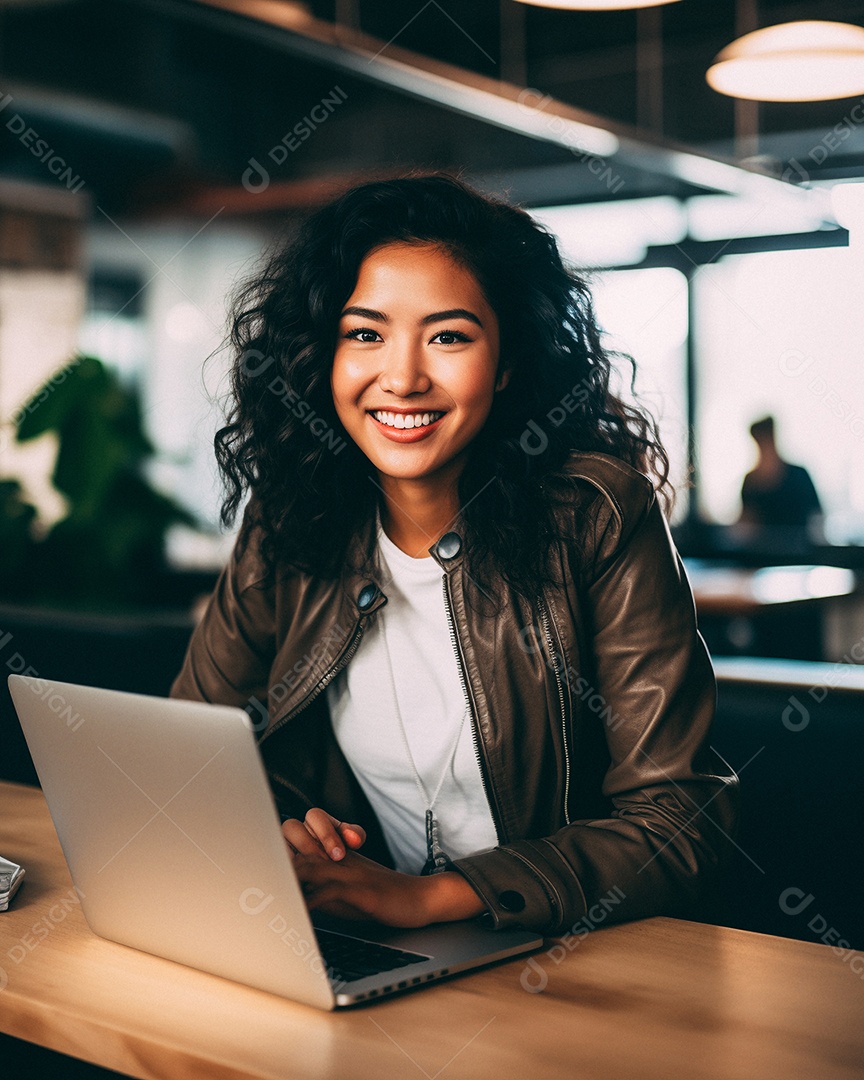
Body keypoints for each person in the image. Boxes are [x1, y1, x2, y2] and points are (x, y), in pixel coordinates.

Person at [170, 174, 738, 935]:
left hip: (570, 955)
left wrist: (430, 897)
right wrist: (283, 835)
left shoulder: (598, 516)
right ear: (321, 357)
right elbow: (192, 755)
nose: (401, 377)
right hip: (361, 944)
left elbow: (683, 824)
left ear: (507, 362)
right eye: (365, 334)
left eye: (448, 336)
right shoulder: (288, 522)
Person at [739, 416, 823, 539]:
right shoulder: (751, 481)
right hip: (762, 553)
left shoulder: (799, 475)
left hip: (799, 552)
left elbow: (817, 517)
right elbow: (746, 525)